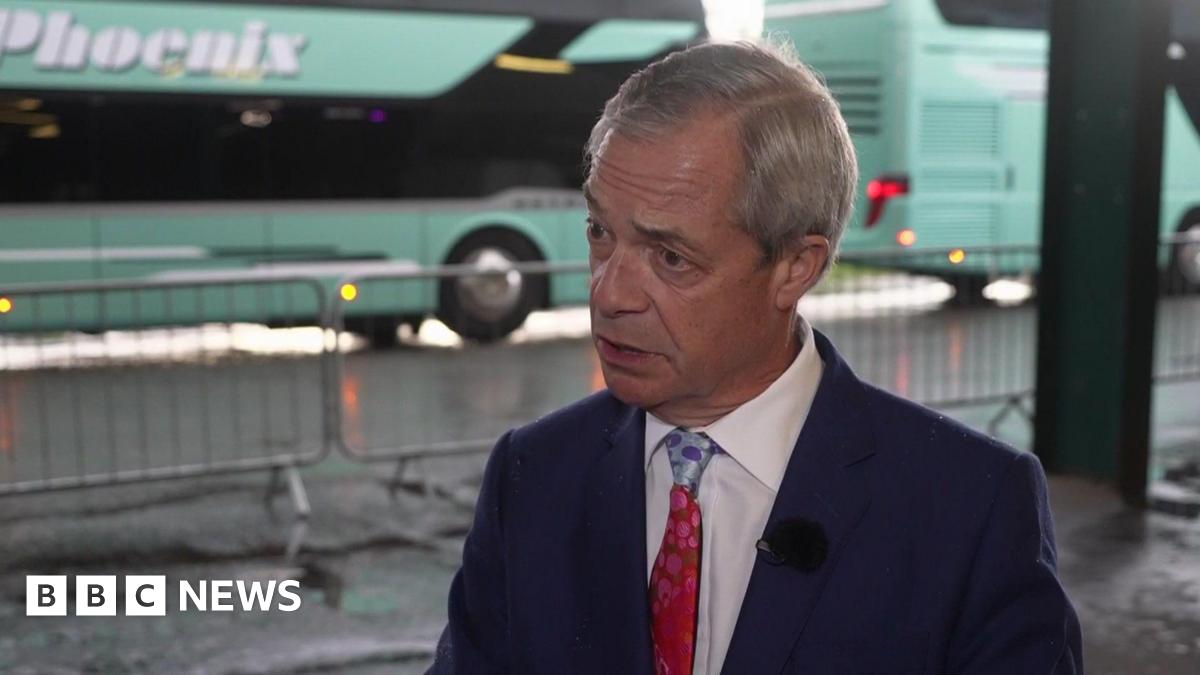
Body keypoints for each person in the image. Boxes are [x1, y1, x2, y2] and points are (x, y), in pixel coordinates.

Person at [429, 39, 1082, 674]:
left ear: (796, 267)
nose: (608, 293)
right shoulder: (532, 475)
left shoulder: (971, 507)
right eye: (601, 231)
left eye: (671, 257)